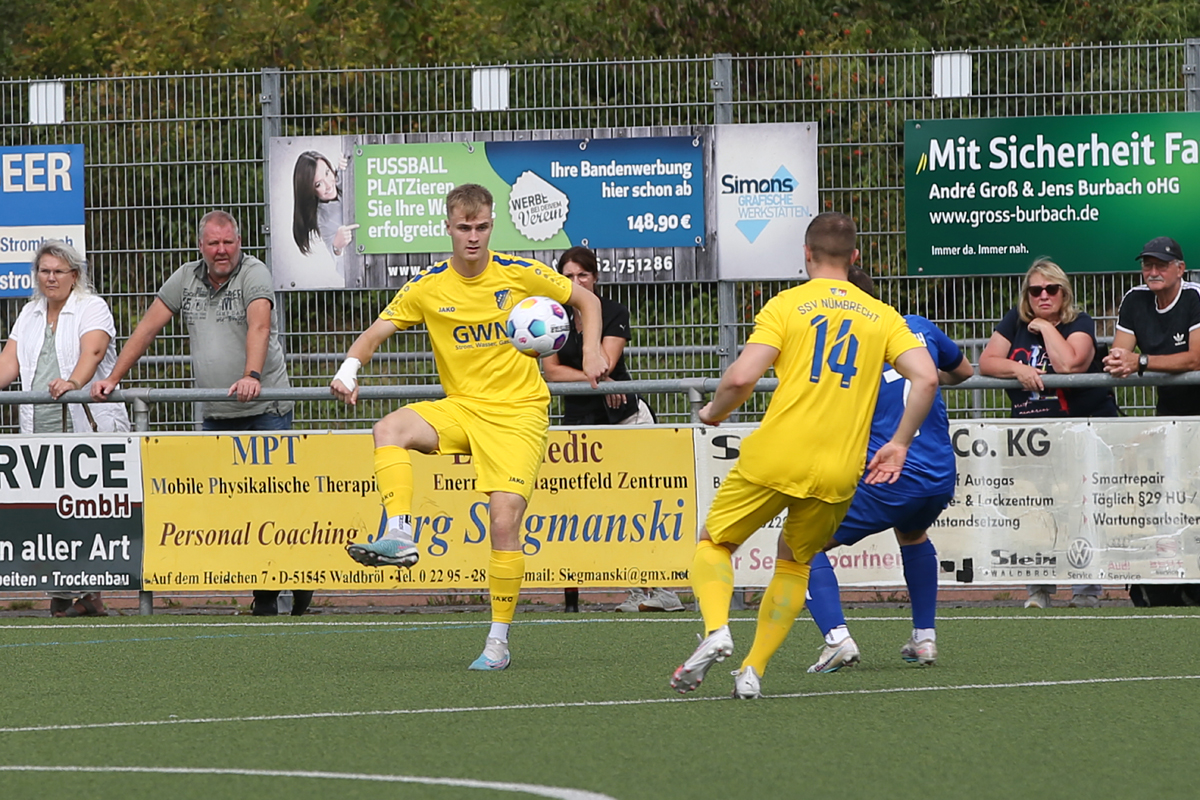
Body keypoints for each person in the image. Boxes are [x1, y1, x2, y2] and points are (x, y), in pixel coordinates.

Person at [329, 183, 606, 670]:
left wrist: (591, 350)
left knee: (502, 523)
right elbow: (373, 334)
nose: (473, 237)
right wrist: (349, 370)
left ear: (491, 225)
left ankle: (497, 642)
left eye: (481, 227)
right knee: (388, 429)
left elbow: (588, 301)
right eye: (463, 228)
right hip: (462, 408)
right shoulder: (428, 286)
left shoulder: (518, 273)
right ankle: (399, 533)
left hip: (518, 413)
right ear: (449, 228)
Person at [668, 212, 939, 698]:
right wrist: (899, 442)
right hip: (840, 469)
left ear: (807, 253)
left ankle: (717, 629)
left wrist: (713, 412)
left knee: (715, 542)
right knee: (794, 562)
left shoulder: (787, 304)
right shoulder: (883, 316)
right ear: (855, 257)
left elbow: (740, 378)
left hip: (777, 454)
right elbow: (928, 378)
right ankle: (752, 671)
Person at [90, 211, 308, 617]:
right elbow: (147, 328)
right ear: (201, 247)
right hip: (217, 414)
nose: (222, 250)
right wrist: (112, 378)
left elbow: (259, 327)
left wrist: (251, 376)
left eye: (228, 242)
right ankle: (275, 582)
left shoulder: (255, 273)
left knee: (273, 502)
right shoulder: (185, 278)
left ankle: (280, 586)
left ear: (239, 242)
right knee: (231, 505)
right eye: (213, 243)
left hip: (266, 409)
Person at [799, 267, 974, 673]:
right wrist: (919, 375)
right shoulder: (918, 327)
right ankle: (924, 639)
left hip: (893, 475)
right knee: (912, 533)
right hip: (939, 473)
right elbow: (964, 371)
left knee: (802, 544)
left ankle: (837, 639)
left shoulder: (844, 346)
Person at [541, 247, 678, 613]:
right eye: (568, 277)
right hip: (580, 424)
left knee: (638, 503)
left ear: (595, 277)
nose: (576, 282)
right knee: (578, 506)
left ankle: (661, 590)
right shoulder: (552, 317)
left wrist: (602, 377)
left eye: (582, 276)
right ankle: (589, 598)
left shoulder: (613, 311)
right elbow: (552, 372)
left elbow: (605, 362)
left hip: (626, 418)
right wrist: (600, 381)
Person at [0, 240, 131, 618]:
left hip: (84, 426)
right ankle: (62, 591)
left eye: (59, 271)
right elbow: (8, 363)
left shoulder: (92, 307)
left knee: (86, 509)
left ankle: (91, 594)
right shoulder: (29, 313)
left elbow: (93, 351)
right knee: (47, 512)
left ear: (74, 275)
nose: (51, 278)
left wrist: (73, 383)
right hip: (39, 428)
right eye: (44, 271)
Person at [980, 259, 1118, 609]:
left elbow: (1069, 364)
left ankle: (1085, 590)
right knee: (1036, 507)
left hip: (1078, 429)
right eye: (1035, 291)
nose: (1043, 296)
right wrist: (1018, 369)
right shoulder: (1014, 320)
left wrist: (1044, 326)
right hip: (1032, 433)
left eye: (1051, 289)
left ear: (1063, 292)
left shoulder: (1079, 322)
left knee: (1079, 506)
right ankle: (1039, 587)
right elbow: (988, 361)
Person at [1103, 236, 1200, 606]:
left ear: (1180, 269)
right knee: (1173, 498)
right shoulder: (1134, 299)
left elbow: (1195, 359)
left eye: (1161, 264)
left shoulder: (1194, 297)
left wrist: (1141, 362)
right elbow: (1121, 352)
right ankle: (1168, 583)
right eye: (1148, 264)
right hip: (1170, 417)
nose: (1153, 271)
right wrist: (1118, 361)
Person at [292, 150, 358, 269]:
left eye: (327, 173)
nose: (328, 185)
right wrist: (337, 248)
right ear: (309, 191)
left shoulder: (342, 176)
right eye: (318, 184)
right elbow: (341, 269)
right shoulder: (323, 220)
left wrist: (350, 161)